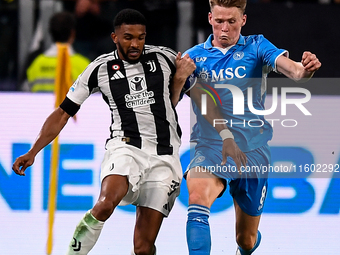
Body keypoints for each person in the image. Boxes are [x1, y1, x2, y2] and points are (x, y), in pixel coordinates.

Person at [12, 8, 195, 255]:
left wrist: (221, 135)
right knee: (105, 204)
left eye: (141, 37)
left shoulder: (165, 58)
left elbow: (194, 99)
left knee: (143, 248)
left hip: (165, 156)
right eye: (128, 37)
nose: (135, 44)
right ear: (114, 37)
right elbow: (63, 112)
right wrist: (33, 151)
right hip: (125, 147)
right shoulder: (99, 69)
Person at [171, 0, 321, 254]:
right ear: (209, 19)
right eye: (219, 22)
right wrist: (178, 77)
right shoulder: (193, 57)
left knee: (246, 240)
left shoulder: (257, 46)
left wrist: (305, 69)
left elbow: (294, 72)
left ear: (243, 20)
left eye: (232, 22)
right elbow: (172, 101)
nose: (225, 29)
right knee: (197, 196)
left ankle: (247, 245)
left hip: (253, 149)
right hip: (211, 146)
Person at [23, 11, 90, 92]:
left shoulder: (36, 64)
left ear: (51, 33)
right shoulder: (85, 66)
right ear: (72, 33)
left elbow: (25, 92)